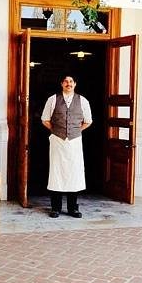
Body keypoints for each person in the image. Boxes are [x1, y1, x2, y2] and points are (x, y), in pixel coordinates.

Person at [41, 74, 92, 218]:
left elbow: (88, 121)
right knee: (56, 173)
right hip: (57, 141)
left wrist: (76, 131)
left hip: (74, 143)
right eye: (65, 81)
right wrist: (56, 130)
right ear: (61, 84)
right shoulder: (52, 99)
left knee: (73, 174)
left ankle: (72, 208)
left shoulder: (83, 101)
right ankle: (55, 208)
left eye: (71, 81)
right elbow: (45, 119)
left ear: (75, 84)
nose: (68, 84)